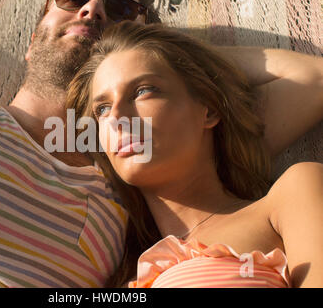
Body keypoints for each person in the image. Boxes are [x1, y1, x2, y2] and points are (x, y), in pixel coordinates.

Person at [0, 0, 321, 287]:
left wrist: (155, 54)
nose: (94, 9)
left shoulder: (140, 170)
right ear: (31, 38)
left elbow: (312, 80)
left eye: (121, 11)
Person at [67, 20, 323, 288]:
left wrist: (190, 57)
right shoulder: (115, 277)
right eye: (103, 109)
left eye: (143, 90)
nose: (117, 117)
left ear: (209, 110)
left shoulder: (287, 199)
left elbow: (315, 77)